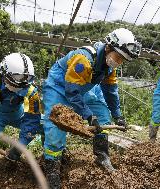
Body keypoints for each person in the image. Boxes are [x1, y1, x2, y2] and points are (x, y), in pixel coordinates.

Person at [42, 28, 141, 188]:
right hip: (60, 86)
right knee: (54, 129)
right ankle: (52, 170)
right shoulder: (83, 58)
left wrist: (118, 116)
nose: (119, 62)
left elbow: (110, 92)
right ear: (109, 47)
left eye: (122, 60)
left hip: (83, 87)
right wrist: (88, 116)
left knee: (102, 113)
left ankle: (102, 156)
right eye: (118, 57)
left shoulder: (110, 67)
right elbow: (72, 92)